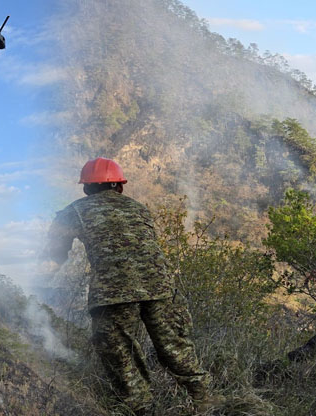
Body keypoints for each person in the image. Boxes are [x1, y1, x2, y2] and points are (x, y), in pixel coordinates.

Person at [44, 157, 212, 415]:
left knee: (121, 355)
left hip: (114, 294)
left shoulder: (73, 212)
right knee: (177, 350)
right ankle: (206, 401)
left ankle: (140, 407)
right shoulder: (138, 208)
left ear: (86, 188)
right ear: (119, 186)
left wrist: (36, 283)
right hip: (160, 287)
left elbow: (53, 256)